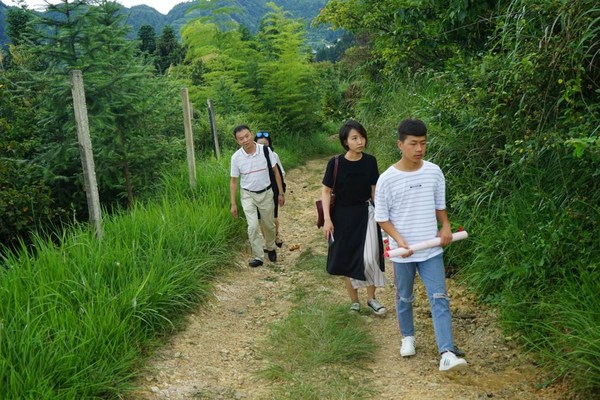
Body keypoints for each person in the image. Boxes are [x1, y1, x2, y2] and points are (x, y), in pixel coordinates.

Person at [374, 118, 468, 371]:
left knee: (439, 297)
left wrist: (445, 227)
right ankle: (408, 337)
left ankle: (446, 352)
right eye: (413, 143)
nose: (419, 149)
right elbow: (381, 216)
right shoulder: (387, 179)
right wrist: (399, 238)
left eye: (423, 143)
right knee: (405, 297)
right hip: (403, 252)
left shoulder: (434, 171)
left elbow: (440, 205)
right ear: (400, 144)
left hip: (431, 251)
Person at [321, 120, 387, 316]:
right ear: (345, 141)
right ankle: (354, 301)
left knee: (370, 257)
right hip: (342, 216)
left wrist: (382, 214)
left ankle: (372, 299)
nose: (360, 141)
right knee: (347, 258)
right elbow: (326, 191)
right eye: (354, 138)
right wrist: (327, 219)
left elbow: (374, 191)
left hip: (366, 213)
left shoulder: (370, 161)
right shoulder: (336, 163)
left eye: (362, 137)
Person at [230, 125, 285, 267]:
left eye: (247, 136)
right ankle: (258, 256)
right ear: (237, 141)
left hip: (266, 193)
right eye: (241, 138)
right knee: (253, 226)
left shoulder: (265, 151)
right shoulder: (236, 158)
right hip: (248, 195)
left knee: (268, 225)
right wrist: (233, 203)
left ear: (251, 134)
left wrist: (280, 192)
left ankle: (271, 247)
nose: (245, 140)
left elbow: (276, 172)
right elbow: (234, 181)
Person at [255, 131, 286, 248]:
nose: (263, 147)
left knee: (273, 217)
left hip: (273, 188)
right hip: (259, 190)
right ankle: (269, 242)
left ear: (269, 144)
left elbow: (281, 173)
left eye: (265, 145)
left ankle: (276, 235)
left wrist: (281, 192)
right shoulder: (252, 157)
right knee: (262, 219)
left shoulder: (273, 155)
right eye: (260, 145)